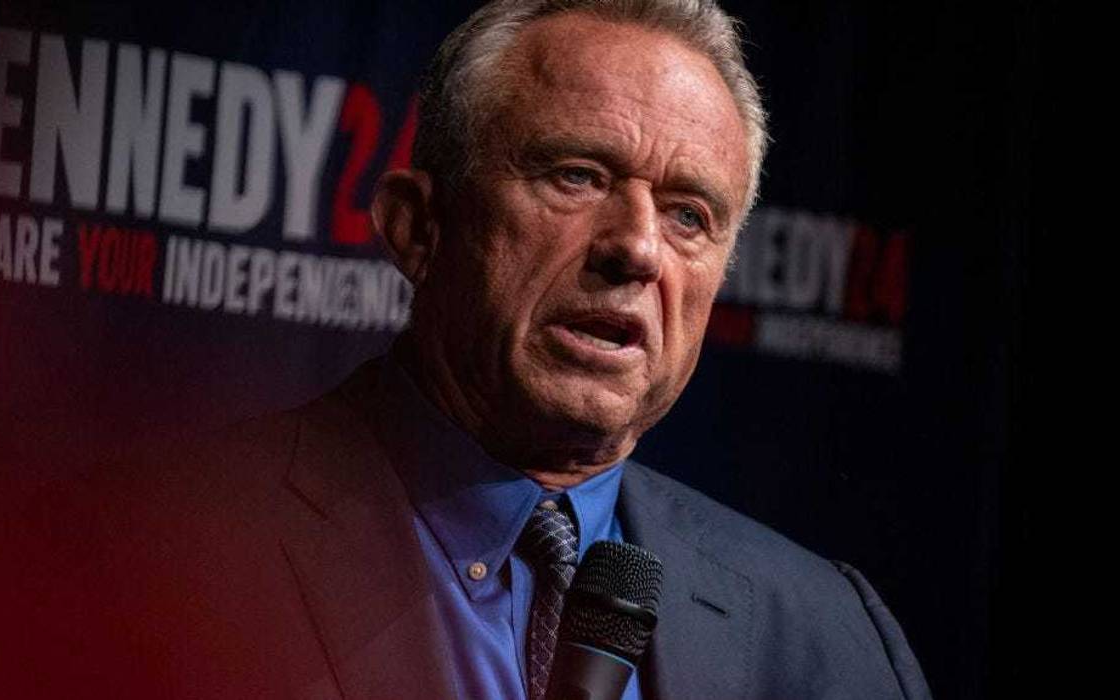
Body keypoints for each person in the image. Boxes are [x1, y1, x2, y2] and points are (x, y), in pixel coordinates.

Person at [54, 1, 931, 698]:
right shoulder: (137, 563)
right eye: (575, 177)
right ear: (418, 226)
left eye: (689, 214)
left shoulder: (824, 636)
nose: (635, 247)